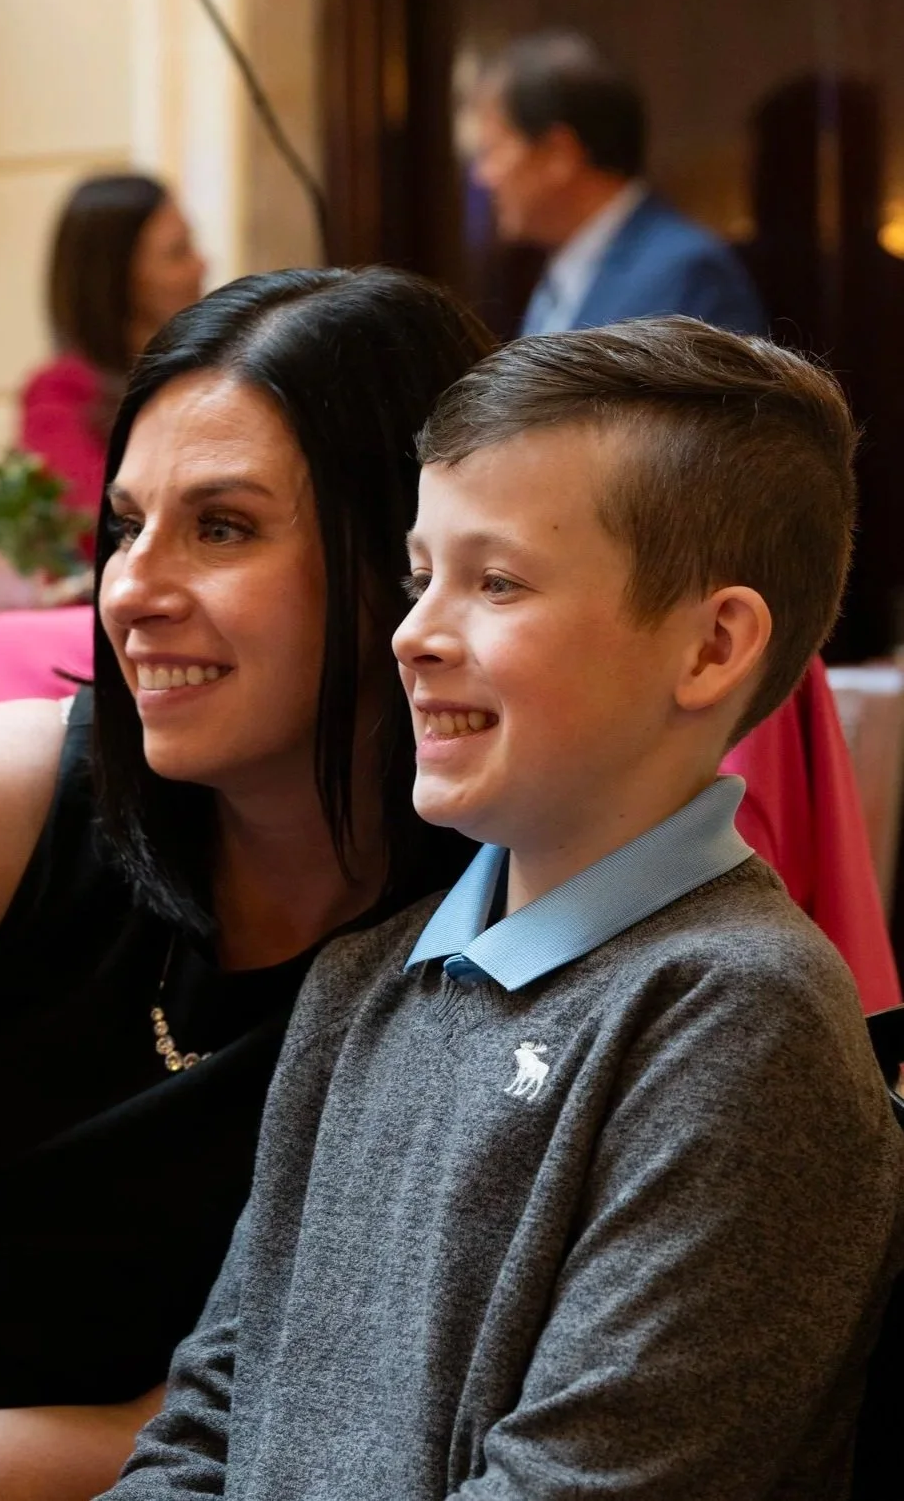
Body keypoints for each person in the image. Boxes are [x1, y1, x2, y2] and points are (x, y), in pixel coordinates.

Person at [107, 318, 904, 1501]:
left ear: (713, 645)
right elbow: (211, 1421)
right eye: (421, 575)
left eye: (495, 582)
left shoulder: (736, 1017)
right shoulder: (364, 981)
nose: (414, 634)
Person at [0, 268, 493, 1501]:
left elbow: (187, 1435)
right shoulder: (3, 795)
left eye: (221, 526)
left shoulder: (500, 963)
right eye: (125, 524)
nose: (130, 589)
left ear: (409, 564)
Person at [471, 31, 766, 338]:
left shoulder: (685, 272)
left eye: (492, 151)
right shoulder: (563, 266)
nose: (483, 175)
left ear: (559, 154)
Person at [19, 174, 206, 522]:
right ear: (119, 275)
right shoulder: (59, 395)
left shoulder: (208, 374)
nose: (201, 265)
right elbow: (97, 519)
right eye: (178, 253)